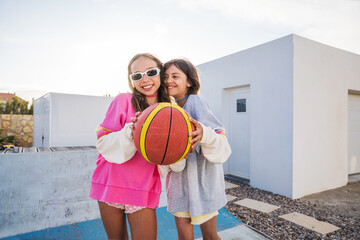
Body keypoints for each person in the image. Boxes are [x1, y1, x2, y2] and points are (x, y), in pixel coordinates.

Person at [89, 53, 171, 240]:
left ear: (161, 72)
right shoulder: (122, 100)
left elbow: (166, 156)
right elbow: (103, 142)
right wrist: (130, 132)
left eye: (151, 72)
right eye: (137, 75)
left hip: (143, 187)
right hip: (110, 184)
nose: (145, 79)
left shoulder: (169, 110)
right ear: (131, 81)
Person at [163, 58, 232, 240]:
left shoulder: (195, 102)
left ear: (189, 82)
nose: (169, 80)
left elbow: (219, 135)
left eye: (175, 76)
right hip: (180, 186)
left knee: (209, 235)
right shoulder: (169, 108)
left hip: (201, 185)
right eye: (166, 76)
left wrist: (205, 134)